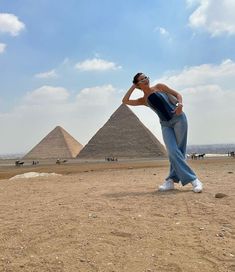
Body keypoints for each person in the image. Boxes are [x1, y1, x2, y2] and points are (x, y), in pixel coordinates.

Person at [122, 73, 203, 193]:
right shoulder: (143, 100)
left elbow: (177, 95)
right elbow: (125, 101)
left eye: (146, 77)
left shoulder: (159, 87)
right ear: (138, 83)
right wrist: (133, 86)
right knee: (172, 151)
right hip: (165, 124)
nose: (146, 79)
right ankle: (193, 179)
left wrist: (180, 104)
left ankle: (171, 181)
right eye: (142, 79)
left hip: (178, 118)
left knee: (178, 151)